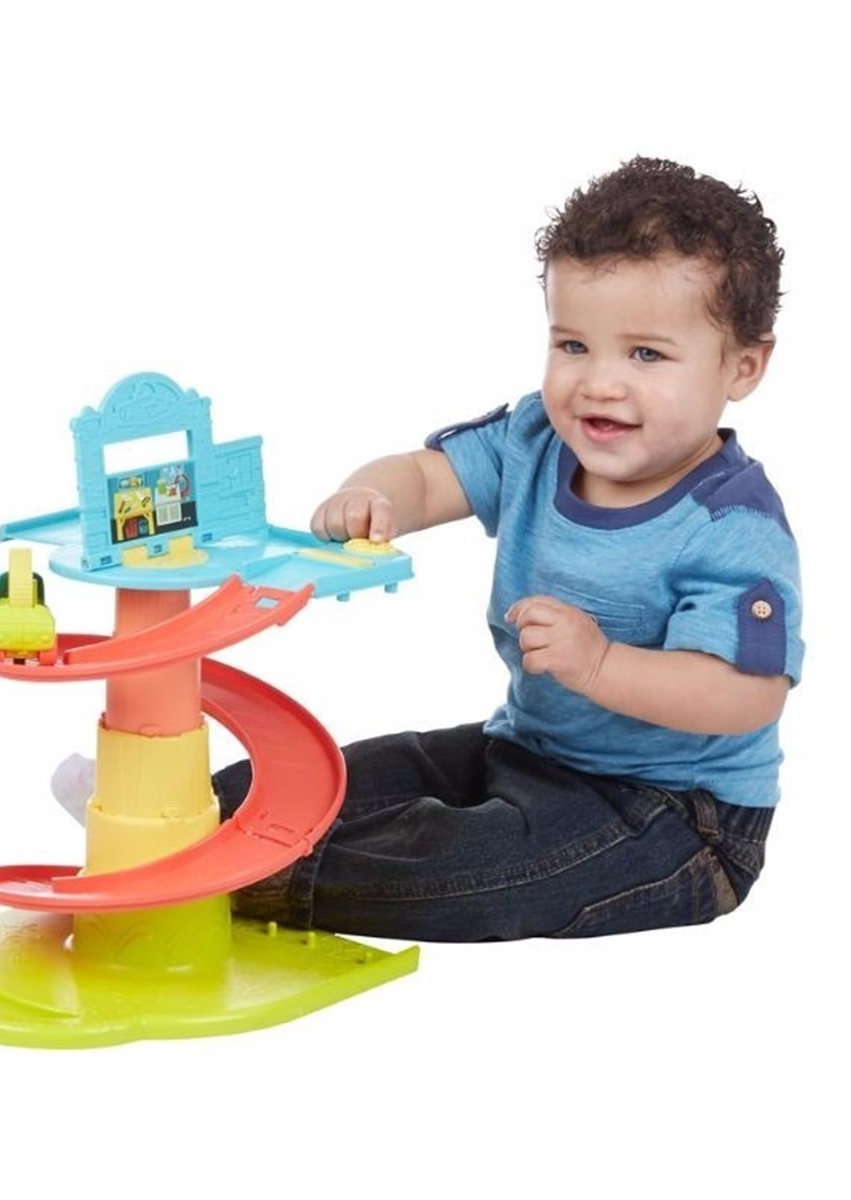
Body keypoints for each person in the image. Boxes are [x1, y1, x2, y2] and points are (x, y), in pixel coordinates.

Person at [59, 157, 803, 941]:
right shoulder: (536, 440)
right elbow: (423, 476)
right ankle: (181, 812)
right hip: (524, 749)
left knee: (472, 864)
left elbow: (747, 695)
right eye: (574, 344)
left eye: (646, 355)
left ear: (743, 365)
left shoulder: (730, 525)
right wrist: (372, 496)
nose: (599, 383)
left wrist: (601, 666)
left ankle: (231, 871)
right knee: (356, 776)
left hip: (673, 819)